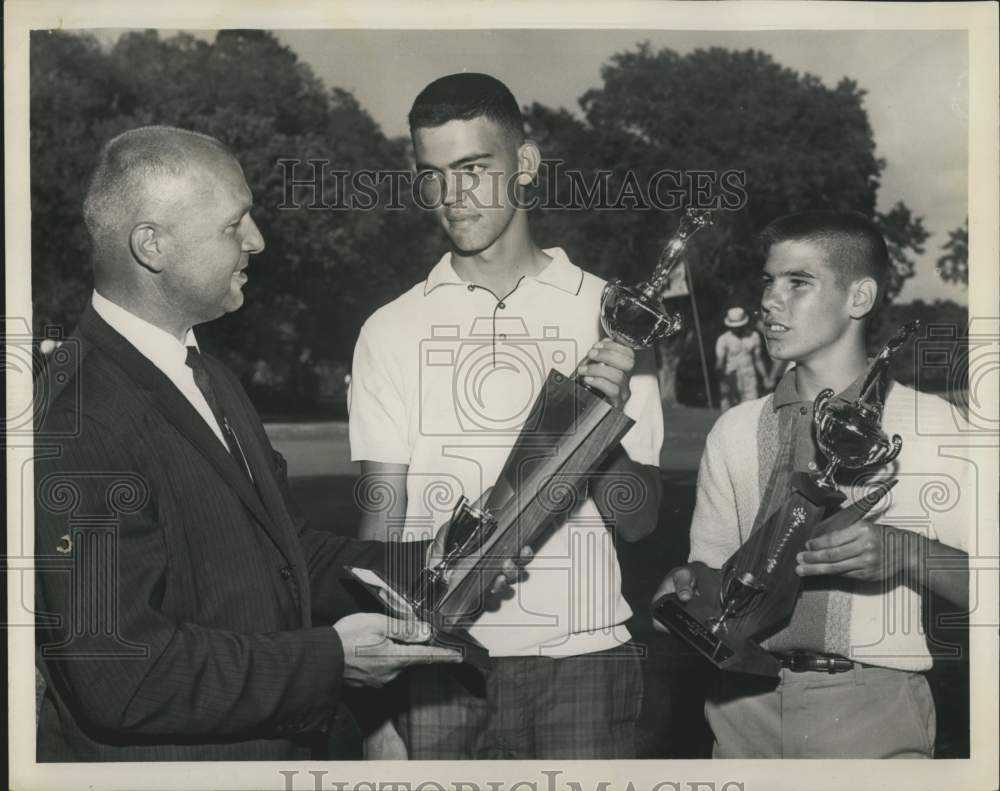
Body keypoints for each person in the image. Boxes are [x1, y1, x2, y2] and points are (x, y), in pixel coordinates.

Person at [33, 126, 528, 762]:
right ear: (151, 245)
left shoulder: (206, 375)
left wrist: (427, 561)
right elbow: (121, 675)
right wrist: (331, 661)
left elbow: (285, 553)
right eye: (233, 223)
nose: (257, 241)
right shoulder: (76, 418)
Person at [348, 73, 664, 759]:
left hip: (583, 661)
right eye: (432, 175)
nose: (451, 197)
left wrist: (598, 424)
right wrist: (374, 710)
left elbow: (640, 523)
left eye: (472, 169)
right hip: (438, 663)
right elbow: (381, 523)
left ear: (524, 165)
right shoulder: (390, 327)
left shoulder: (613, 313)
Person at [653, 210, 970, 758]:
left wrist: (906, 550)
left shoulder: (931, 424)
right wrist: (686, 588)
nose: (771, 300)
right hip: (738, 708)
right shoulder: (734, 429)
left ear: (859, 297)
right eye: (768, 281)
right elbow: (711, 569)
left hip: (870, 706)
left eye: (798, 282)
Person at [714, 306, 767, 409]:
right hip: (732, 378)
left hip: (750, 378)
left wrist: (765, 377)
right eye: (734, 326)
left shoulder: (754, 336)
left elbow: (758, 360)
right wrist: (723, 383)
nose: (737, 328)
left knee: (752, 410)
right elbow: (719, 363)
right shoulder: (723, 339)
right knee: (732, 414)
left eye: (739, 326)